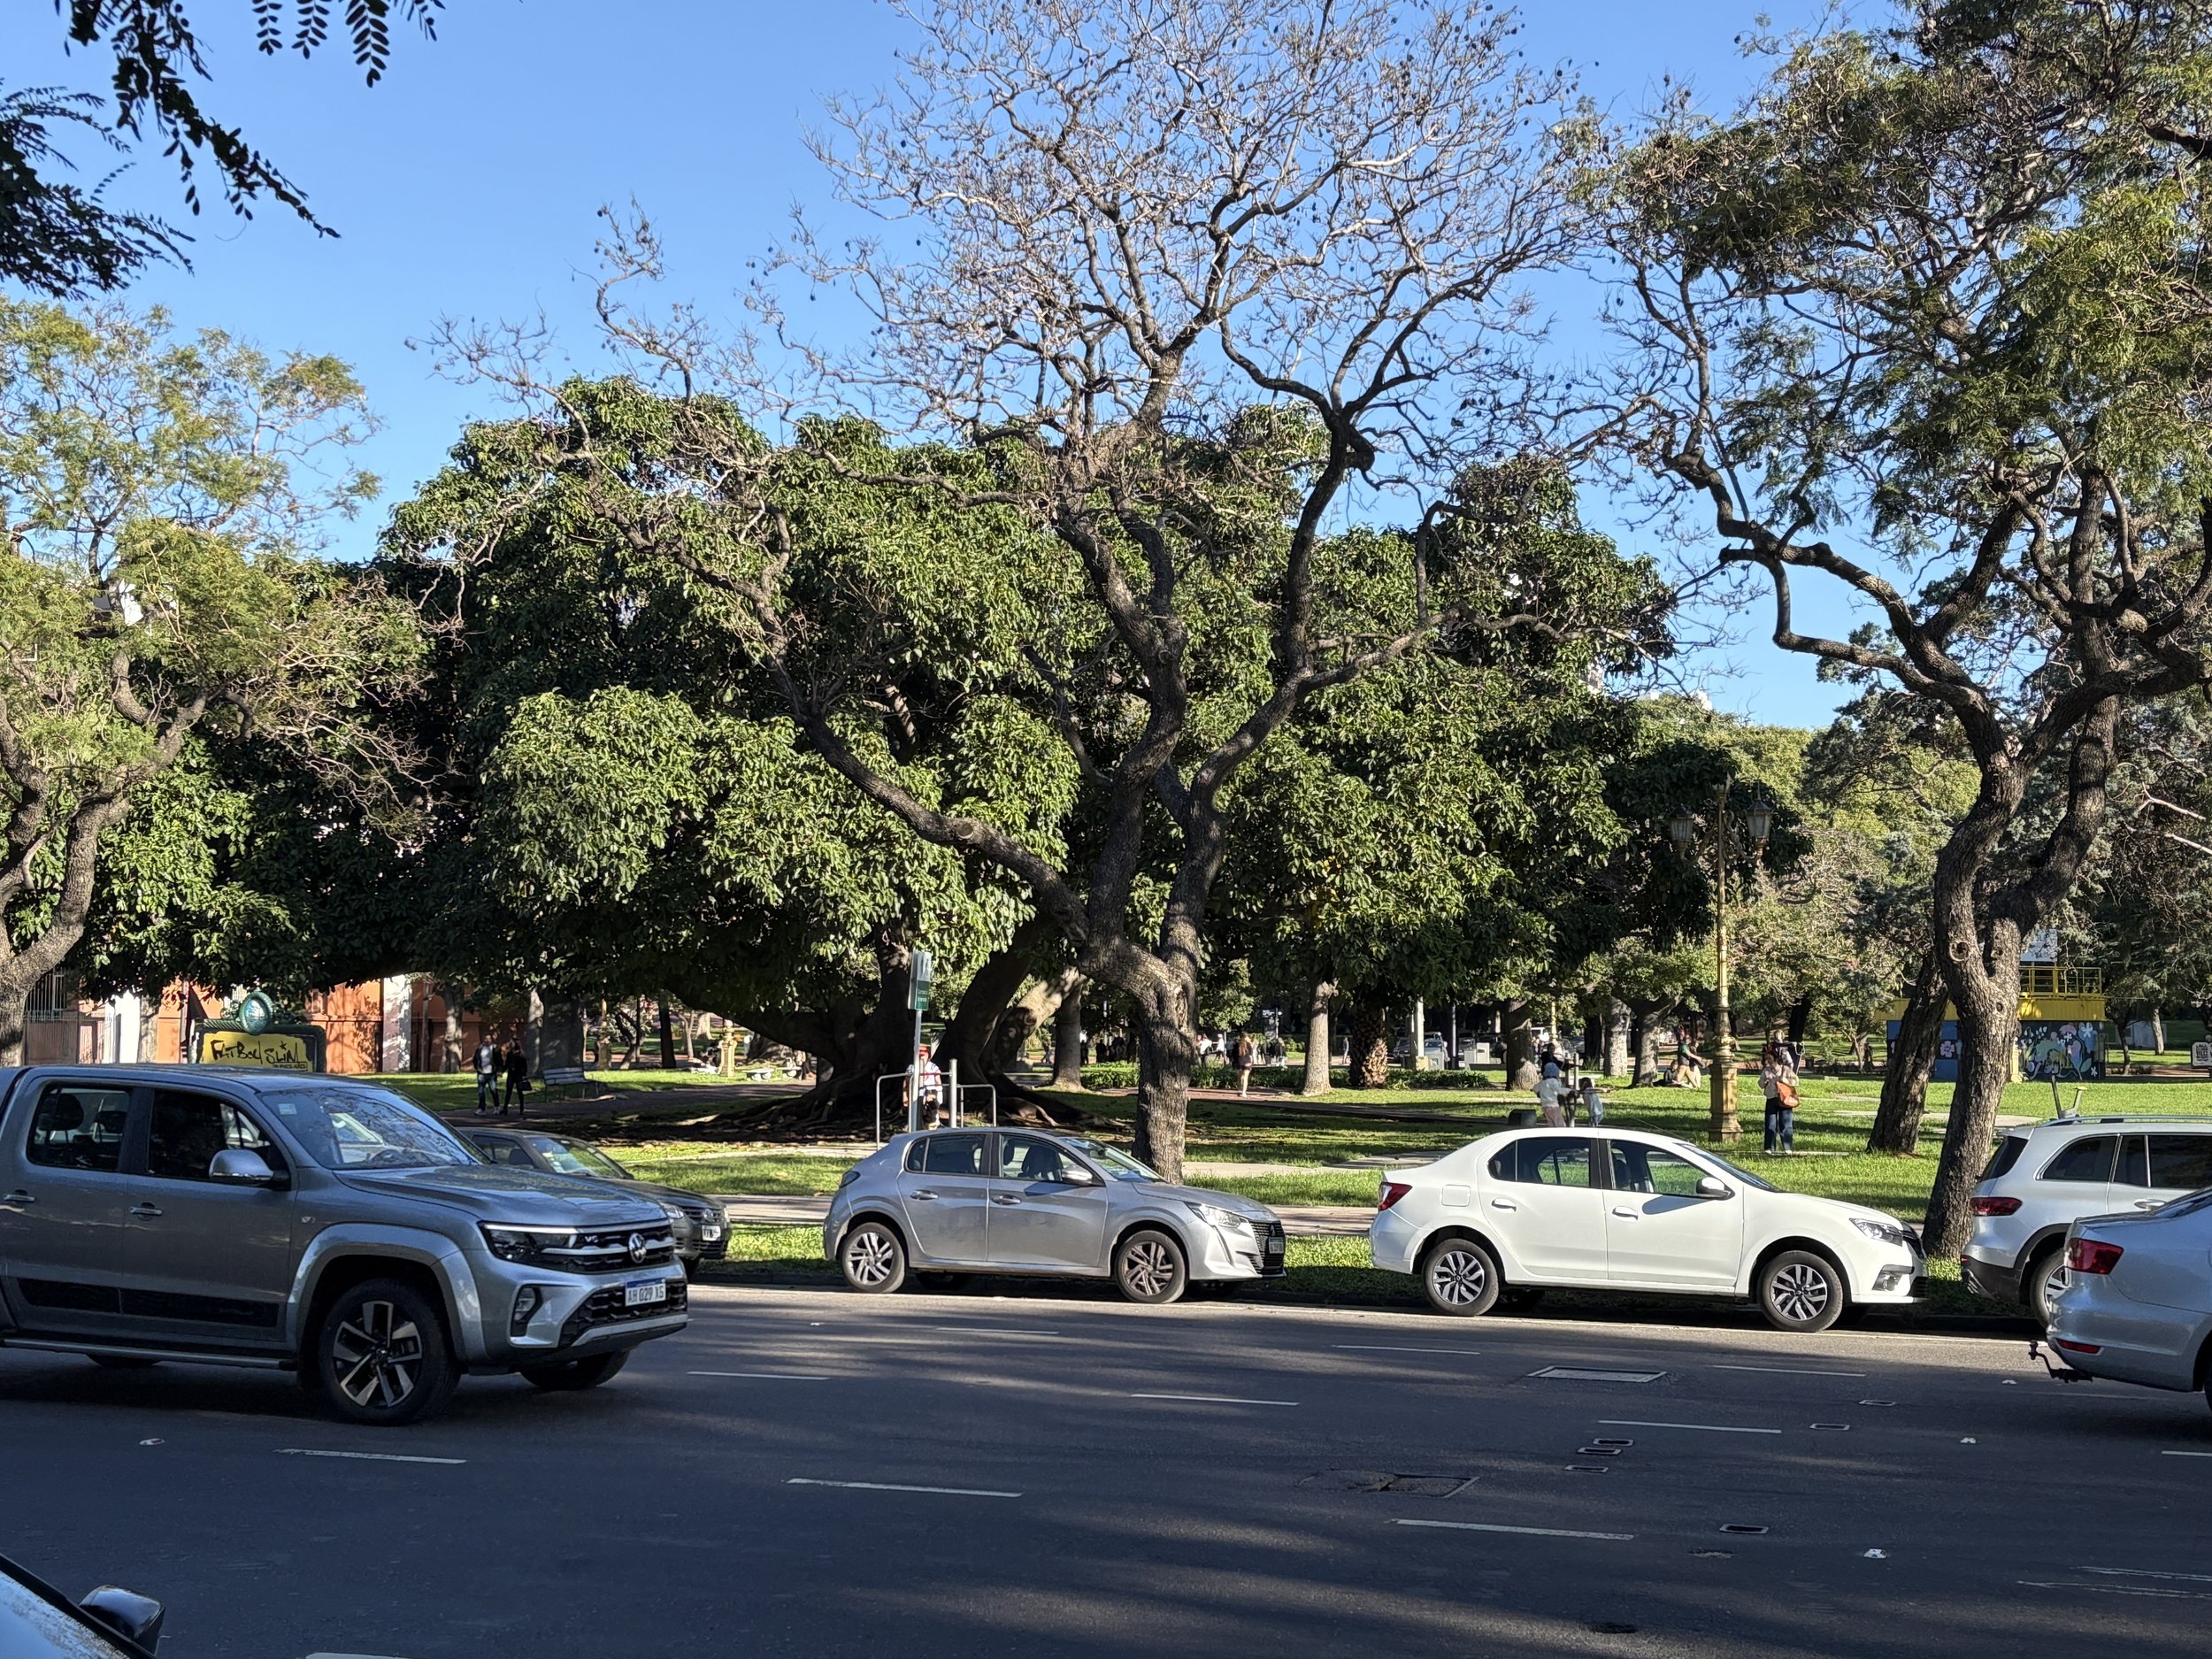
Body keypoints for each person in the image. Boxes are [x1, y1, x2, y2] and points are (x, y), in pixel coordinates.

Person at [1760, 1040, 1799, 1154]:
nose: (1768, 1061)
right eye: (1766, 1059)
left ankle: (1787, 1147)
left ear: (1776, 1059)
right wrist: (1765, 1083)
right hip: (1771, 1099)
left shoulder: (1785, 1070)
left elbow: (1796, 1081)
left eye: (1770, 1059)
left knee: (1785, 1123)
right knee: (1770, 1123)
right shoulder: (1766, 1071)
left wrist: (1784, 1080)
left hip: (1784, 1099)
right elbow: (1760, 1084)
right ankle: (1769, 1147)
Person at [1534, 1063, 1567, 1127]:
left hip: (1544, 1105)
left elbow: (1535, 1088)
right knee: (1560, 1124)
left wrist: (1539, 1093)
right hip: (1553, 1105)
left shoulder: (1543, 1082)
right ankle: (1562, 1136)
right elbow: (1559, 1090)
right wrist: (1570, 1091)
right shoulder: (1553, 1081)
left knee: (1551, 1123)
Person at [503, 1042, 530, 1118]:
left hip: (518, 1075)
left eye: (512, 1043)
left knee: (519, 1092)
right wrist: (502, 1071)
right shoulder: (509, 1053)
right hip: (511, 1075)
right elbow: (507, 1064)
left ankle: (521, 1108)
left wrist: (524, 1075)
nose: (511, 1044)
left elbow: (525, 1066)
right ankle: (505, 1108)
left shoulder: (521, 1055)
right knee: (508, 1091)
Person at [472, 1036, 499, 1114]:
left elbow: (499, 1060)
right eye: (485, 1039)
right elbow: (475, 1059)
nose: (487, 1040)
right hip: (482, 1073)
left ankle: (496, 1106)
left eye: (489, 1039)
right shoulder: (480, 1048)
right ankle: (482, 1108)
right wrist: (477, 1067)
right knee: (481, 1092)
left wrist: (498, 1070)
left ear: (491, 1040)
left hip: (491, 1073)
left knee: (493, 1090)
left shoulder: (495, 1049)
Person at [1233, 1030, 1256, 1098]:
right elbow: (1251, 1053)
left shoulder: (1237, 1045)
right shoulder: (1248, 1044)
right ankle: (1244, 1092)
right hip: (1247, 1062)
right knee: (1245, 1078)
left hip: (1239, 1062)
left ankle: (1240, 1087)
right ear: (1246, 1037)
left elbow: (1234, 1054)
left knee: (1240, 1077)